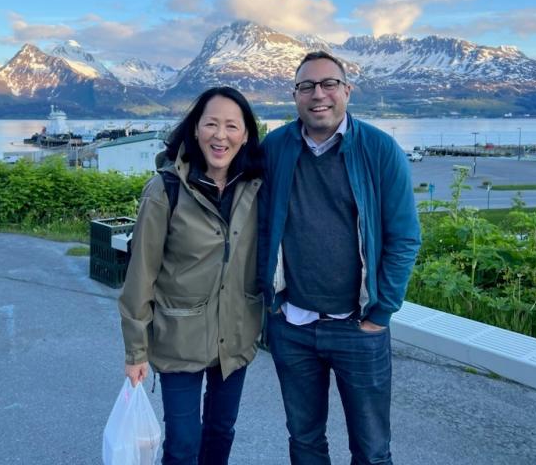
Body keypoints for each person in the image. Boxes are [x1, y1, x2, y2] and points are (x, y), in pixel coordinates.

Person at [257, 51, 421, 465]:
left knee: (371, 449)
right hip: (292, 324)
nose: (319, 95)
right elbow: (251, 216)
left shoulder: (380, 149)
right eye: (307, 86)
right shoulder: (275, 147)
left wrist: (380, 313)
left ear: (347, 91)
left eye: (329, 84)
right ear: (294, 96)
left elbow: (404, 237)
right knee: (305, 441)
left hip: (358, 326)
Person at [119, 86, 264, 465]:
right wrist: (136, 350)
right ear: (195, 129)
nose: (221, 135)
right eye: (211, 124)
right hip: (179, 335)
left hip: (235, 332)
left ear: (246, 134)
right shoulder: (164, 189)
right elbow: (140, 275)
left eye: (232, 126)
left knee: (220, 432)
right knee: (183, 446)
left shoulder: (256, 187)